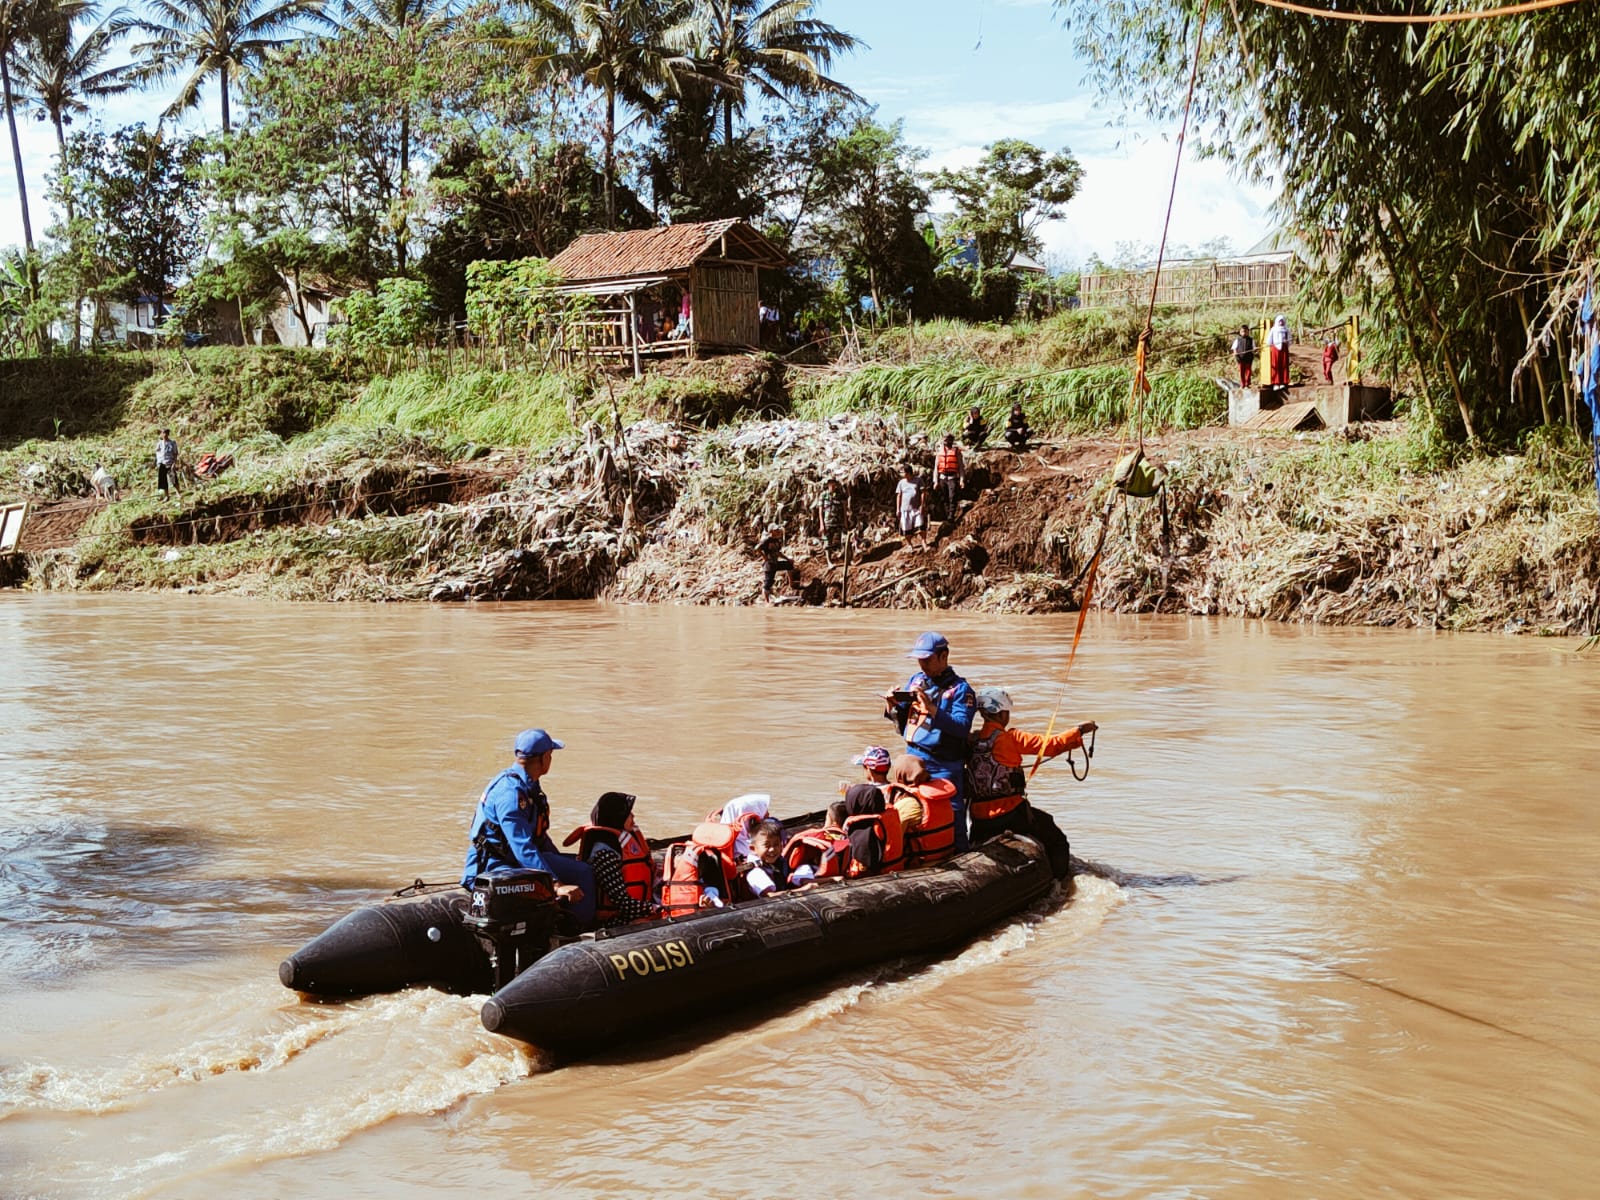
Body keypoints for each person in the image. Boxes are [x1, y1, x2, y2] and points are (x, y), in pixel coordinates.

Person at [462, 728, 595, 928]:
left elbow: (539, 837)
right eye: (550, 755)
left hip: (513, 859)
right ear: (543, 758)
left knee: (581, 868)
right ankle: (577, 930)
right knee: (581, 873)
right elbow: (522, 847)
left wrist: (557, 864)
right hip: (496, 864)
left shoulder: (528, 786)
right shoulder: (509, 794)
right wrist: (555, 884)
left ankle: (568, 920)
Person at [966, 686, 1094, 878]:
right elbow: (1050, 745)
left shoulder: (971, 740)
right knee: (1057, 839)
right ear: (1001, 714)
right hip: (1010, 813)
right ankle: (1059, 883)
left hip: (978, 819)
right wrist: (1080, 730)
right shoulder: (1011, 738)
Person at [883, 631, 976, 851]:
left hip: (944, 763)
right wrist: (892, 705)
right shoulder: (916, 681)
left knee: (952, 812)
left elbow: (962, 727)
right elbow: (904, 718)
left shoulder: (961, 691)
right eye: (919, 660)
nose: (922, 665)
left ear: (944, 656)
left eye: (927, 659)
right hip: (913, 757)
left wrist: (933, 709)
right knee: (908, 806)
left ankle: (959, 853)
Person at [563, 790, 658, 927]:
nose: (633, 816)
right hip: (612, 920)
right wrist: (658, 908)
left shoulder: (619, 841)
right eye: (628, 813)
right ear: (617, 817)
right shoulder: (605, 853)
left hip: (636, 909)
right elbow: (622, 902)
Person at [883, 754, 958, 868]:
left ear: (900, 775)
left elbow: (892, 841)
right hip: (947, 856)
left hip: (922, 864)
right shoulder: (940, 796)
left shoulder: (907, 804)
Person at [739, 819, 788, 898]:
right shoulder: (755, 873)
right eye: (767, 845)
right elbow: (770, 896)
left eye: (776, 844)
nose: (772, 849)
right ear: (753, 849)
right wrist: (803, 889)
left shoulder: (780, 861)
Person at [754, 523, 799, 602]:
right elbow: (757, 548)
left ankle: (791, 584)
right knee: (768, 584)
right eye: (776, 530)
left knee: (789, 565)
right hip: (769, 565)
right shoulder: (766, 540)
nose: (778, 531)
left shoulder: (776, 540)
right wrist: (764, 557)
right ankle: (767, 602)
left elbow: (778, 553)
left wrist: (787, 559)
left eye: (778, 529)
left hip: (775, 563)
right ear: (771, 531)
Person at [933, 434, 964, 520]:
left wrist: (962, 480)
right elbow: (936, 467)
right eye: (945, 440)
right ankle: (948, 515)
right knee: (944, 497)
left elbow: (961, 466)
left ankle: (951, 515)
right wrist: (935, 481)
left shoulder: (956, 451)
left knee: (952, 496)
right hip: (942, 477)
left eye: (948, 440)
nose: (946, 441)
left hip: (952, 477)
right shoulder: (940, 451)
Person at [894, 464, 926, 547]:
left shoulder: (918, 480)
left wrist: (922, 505)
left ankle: (923, 541)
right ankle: (909, 544)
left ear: (908, 473)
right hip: (905, 509)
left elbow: (923, 493)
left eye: (903, 472)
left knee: (920, 526)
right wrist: (898, 509)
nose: (901, 474)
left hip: (916, 508)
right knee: (906, 528)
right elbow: (899, 496)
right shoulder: (901, 483)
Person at [815, 480, 843, 559]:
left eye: (834, 485)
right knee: (827, 541)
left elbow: (843, 509)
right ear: (828, 485)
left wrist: (844, 522)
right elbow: (820, 511)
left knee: (839, 541)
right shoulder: (824, 495)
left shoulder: (839, 495)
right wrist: (821, 525)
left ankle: (842, 557)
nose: (833, 487)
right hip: (827, 522)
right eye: (831, 485)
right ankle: (829, 561)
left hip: (837, 521)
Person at [1267, 315, 1292, 387]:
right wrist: (1272, 346)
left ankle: (1283, 381)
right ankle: (1276, 382)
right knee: (1276, 364)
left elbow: (1290, 340)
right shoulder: (1273, 329)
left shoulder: (1286, 330)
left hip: (1284, 348)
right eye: (1279, 321)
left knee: (1284, 364)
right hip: (1275, 348)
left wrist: (1286, 343)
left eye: (1282, 321)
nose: (1281, 323)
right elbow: (1269, 340)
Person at [154, 429, 179, 497]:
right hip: (162, 464)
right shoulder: (159, 443)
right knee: (163, 481)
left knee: (173, 479)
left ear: (168, 434)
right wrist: (158, 463)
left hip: (170, 463)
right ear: (161, 434)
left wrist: (174, 463)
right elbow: (157, 453)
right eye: (163, 433)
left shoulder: (172, 443)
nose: (164, 435)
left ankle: (178, 493)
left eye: (166, 433)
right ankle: (166, 495)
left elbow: (175, 454)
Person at [1232, 324, 1257, 388]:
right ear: (1240, 332)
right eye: (1242, 331)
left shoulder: (1251, 340)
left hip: (1249, 357)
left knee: (1248, 371)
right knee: (1241, 371)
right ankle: (1242, 384)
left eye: (1245, 331)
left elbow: (1254, 348)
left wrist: (1255, 349)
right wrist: (1235, 352)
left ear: (1248, 332)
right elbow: (1234, 348)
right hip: (1240, 358)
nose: (1244, 333)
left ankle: (1247, 383)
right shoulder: (1238, 340)